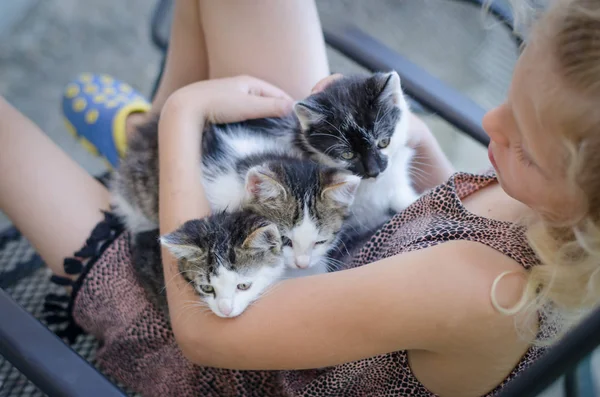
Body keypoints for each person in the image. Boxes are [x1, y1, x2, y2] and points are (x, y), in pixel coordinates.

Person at [1, 0, 599, 396]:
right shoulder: (548, 211)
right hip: (327, 228)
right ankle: (153, 152)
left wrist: (186, 118)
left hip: (222, 335)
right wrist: (407, 138)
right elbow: (452, 204)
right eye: (510, 100)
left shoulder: (479, 291)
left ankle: (159, 149)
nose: (490, 122)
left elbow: (206, 336)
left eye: (520, 141)